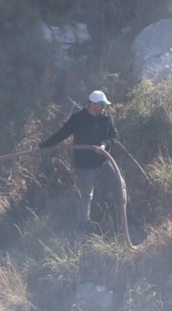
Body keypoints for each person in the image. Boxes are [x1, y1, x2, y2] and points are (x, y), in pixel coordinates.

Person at [40, 90, 120, 232]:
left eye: (104, 105)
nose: (104, 107)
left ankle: (121, 222)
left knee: (120, 187)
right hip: (85, 166)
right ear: (93, 104)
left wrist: (105, 145)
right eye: (102, 104)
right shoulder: (78, 119)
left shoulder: (107, 118)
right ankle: (83, 229)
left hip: (103, 163)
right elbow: (61, 134)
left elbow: (114, 135)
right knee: (86, 198)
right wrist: (42, 146)